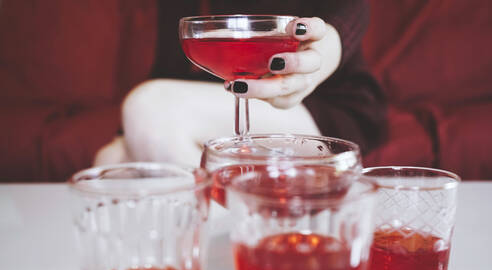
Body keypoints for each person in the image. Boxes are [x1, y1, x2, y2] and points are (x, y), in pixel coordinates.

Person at [0, 0, 386, 181]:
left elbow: (346, 17)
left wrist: (323, 52)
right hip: (221, 109)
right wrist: (135, 133)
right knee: (111, 160)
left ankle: (236, 241)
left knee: (142, 110)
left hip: (319, 110)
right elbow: (172, 70)